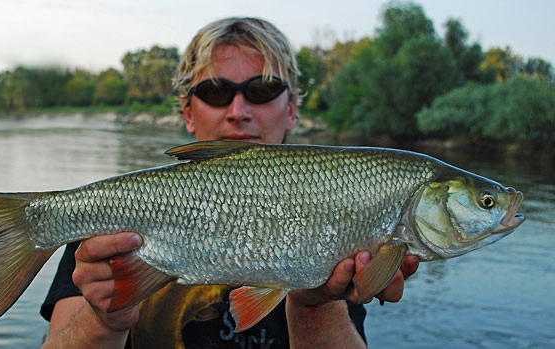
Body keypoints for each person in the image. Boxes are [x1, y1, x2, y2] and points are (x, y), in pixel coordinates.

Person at [41, 17, 419, 348]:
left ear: (291, 111)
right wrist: (104, 320)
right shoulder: (108, 220)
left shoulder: (345, 219)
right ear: (188, 113)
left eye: (263, 89)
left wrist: (314, 303)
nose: (238, 112)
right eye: (216, 92)